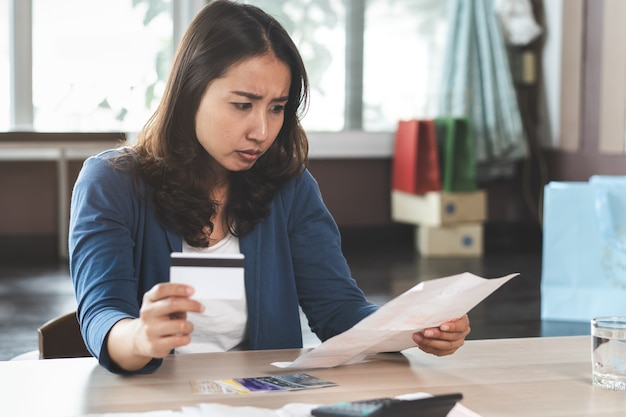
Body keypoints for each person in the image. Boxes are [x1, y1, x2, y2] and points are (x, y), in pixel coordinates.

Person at [69, 0, 471, 375]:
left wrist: (416, 325)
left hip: (263, 400)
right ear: (190, 93)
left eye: (277, 108)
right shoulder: (111, 183)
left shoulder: (291, 188)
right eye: (243, 105)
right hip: (153, 403)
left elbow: (339, 311)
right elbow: (103, 316)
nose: (262, 131)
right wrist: (140, 337)